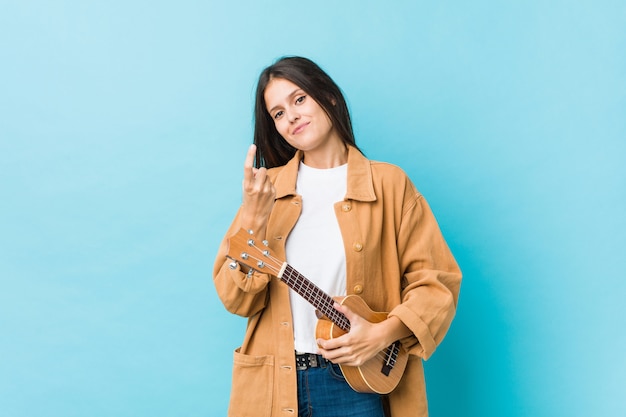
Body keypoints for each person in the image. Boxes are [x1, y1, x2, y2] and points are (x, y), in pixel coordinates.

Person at [213, 56, 462, 417]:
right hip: (273, 383)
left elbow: (437, 283)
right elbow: (235, 299)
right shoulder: (267, 190)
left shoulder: (390, 185)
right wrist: (251, 216)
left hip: (356, 383)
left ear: (328, 97)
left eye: (299, 100)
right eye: (278, 113)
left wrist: (381, 334)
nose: (291, 116)